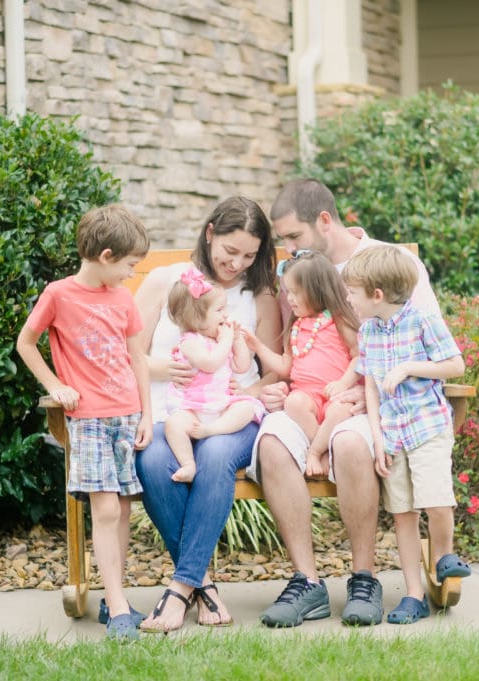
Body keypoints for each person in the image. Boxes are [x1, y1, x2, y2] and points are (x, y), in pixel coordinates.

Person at [250, 178, 443, 628]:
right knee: (273, 447)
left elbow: (423, 340)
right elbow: (291, 344)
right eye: (283, 242)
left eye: (294, 237)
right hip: (305, 400)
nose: (288, 249)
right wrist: (271, 386)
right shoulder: (295, 273)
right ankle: (307, 583)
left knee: (355, 446)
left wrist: (366, 387)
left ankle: (364, 578)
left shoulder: (390, 264)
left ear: (324, 221)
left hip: (367, 400)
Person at [133, 196, 282, 632]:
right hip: (169, 411)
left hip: (230, 415)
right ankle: (204, 586)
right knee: (155, 461)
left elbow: (272, 372)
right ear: (210, 232)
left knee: (215, 457)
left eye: (249, 255)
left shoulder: (261, 297)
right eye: (229, 251)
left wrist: (251, 389)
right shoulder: (165, 281)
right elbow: (131, 355)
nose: (237, 263)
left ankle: (180, 589)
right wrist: (164, 368)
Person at [15, 204, 152, 641]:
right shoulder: (59, 294)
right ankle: (119, 605)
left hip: (127, 415)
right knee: (106, 508)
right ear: (107, 256)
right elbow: (26, 343)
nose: (134, 273)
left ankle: (116, 600)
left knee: (124, 508)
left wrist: (147, 414)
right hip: (88, 419)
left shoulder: (124, 299)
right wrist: (55, 384)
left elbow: (138, 361)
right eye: (131, 264)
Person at [343, 244, 471, 624]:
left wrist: (410, 368)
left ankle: (444, 557)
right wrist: (377, 438)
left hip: (428, 427)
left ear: (377, 295)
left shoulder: (423, 320)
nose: (348, 299)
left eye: (352, 292)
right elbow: (369, 385)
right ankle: (414, 594)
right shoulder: (368, 331)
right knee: (403, 513)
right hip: (393, 434)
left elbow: (456, 365)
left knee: (436, 501)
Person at [243, 250, 359, 478]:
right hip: (307, 397)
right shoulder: (296, 326)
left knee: (340, 411)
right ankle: (321, 447)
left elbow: (359, 355)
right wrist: (258, 347)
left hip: (334, 393)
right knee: (292, 403)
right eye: (288, 292)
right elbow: (286, 367)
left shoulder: (338, 320)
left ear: (318, 289)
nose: (289, 299)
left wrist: (344, 384)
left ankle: (315, 451)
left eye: (296, 293)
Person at [164, 268, 266, 483]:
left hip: (223, 406)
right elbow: (210, 364)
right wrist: (227, 341)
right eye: (219, 310)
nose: (225, 315)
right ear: (197, 318)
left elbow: (241, 366)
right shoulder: (190, 341)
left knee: (246, 408)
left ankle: (213, 430)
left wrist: (237, 341)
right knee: (173, 424)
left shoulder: (220, 339)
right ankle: (188, 463)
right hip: (193, 408)